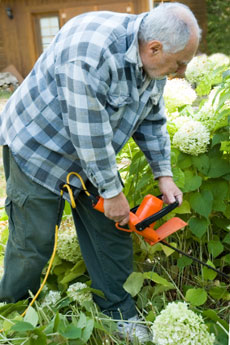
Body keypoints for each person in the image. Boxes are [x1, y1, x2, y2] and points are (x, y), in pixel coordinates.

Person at [0, 2, 201, 342]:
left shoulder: (154, 62)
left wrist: (163, 174)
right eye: (180, 63)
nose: (180, 72)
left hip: (93, 155)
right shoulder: (90, 53)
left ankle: (117, 312)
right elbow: (86, 131)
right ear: (154, 48)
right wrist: (111, 192)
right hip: (38, 148)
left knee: (112, 233)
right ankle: (13, 315)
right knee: (33, 243)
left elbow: (151, 118)